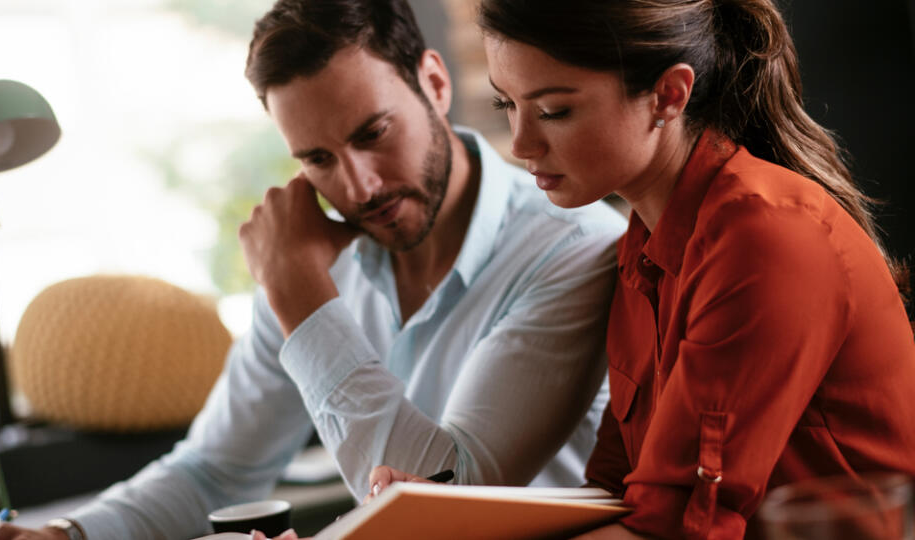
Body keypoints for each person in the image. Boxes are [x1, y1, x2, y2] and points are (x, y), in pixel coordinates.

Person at [0, 1, 627, 539]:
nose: (359, 186)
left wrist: (301, 299)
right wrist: (69, 534)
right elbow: (214, 469)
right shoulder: (316, 260)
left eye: (372, 133)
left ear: (436, 82)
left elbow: (449, 502)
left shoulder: (575, 249)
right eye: (318, 158)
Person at [374, 0, 915, 538]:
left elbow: (672, 528)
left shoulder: (765, 238)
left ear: (668, 95)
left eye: (554, 111)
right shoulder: (642, 247)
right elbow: (619, 492)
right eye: (506, 105)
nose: (521, 144)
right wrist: (441, 516)